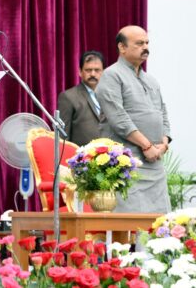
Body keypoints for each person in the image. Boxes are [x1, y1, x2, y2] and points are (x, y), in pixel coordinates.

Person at [96, 25, 171, 213]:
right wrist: (146, 146)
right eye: (139, 43)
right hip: (127, 164)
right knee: (130, 229)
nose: (145, 47)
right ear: (122, 47)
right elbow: (118, 118)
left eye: (147, 43)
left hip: (155, 161)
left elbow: (163, 113)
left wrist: (164, 142)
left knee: (159, 226)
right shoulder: (111, 75)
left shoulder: (151, 80)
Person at [57, 51, 105, 146]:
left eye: (97, 70)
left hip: (111, 157)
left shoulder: (111, 95)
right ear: (80, 71)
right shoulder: (68, 97)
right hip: (81, 158)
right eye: (88, 70)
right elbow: (63, 136)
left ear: (103, 72)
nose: (92, 74)